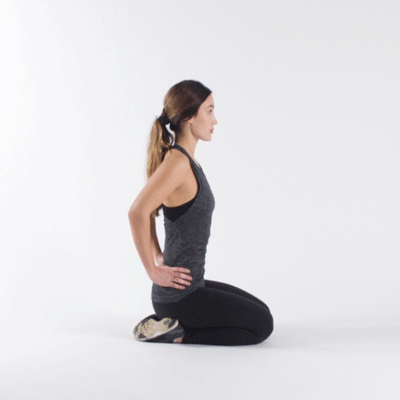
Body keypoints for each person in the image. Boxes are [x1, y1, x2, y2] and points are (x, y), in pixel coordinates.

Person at [128, 80, 273, 345]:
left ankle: (172, 324)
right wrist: (153, 270)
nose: (214, 120)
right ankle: (178, 333)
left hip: (191, 286)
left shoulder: (186, 160)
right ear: (188, 118)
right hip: (180, 298)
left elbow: (147, 212)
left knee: (261, 311)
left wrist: (159, 254)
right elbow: (137, 212)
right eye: (209, 111)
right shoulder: (178, 162)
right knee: (262, 325)